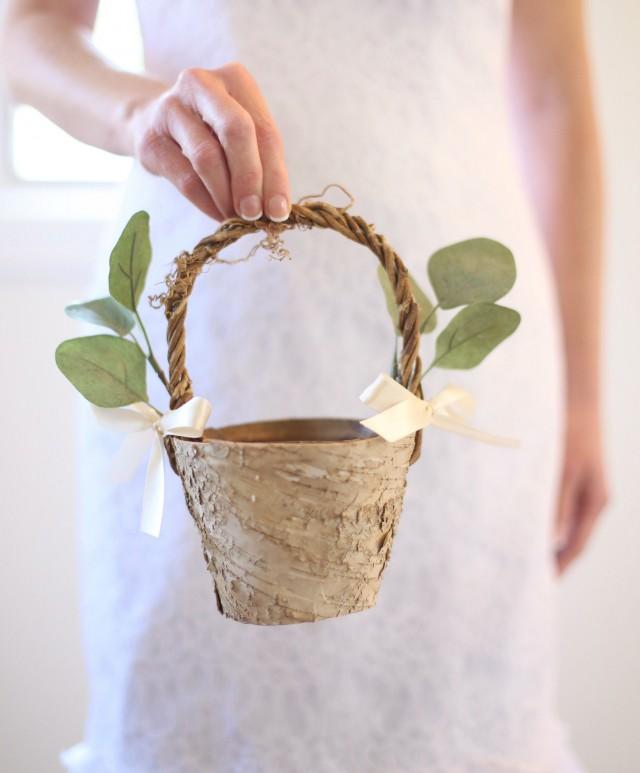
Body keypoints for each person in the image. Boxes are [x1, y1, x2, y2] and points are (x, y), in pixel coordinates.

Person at [1, 1, 609, 770]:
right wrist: (140, 113)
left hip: (454, 378)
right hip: (205, 372)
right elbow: (28, 32)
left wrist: (583, 397)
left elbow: (552, 97)